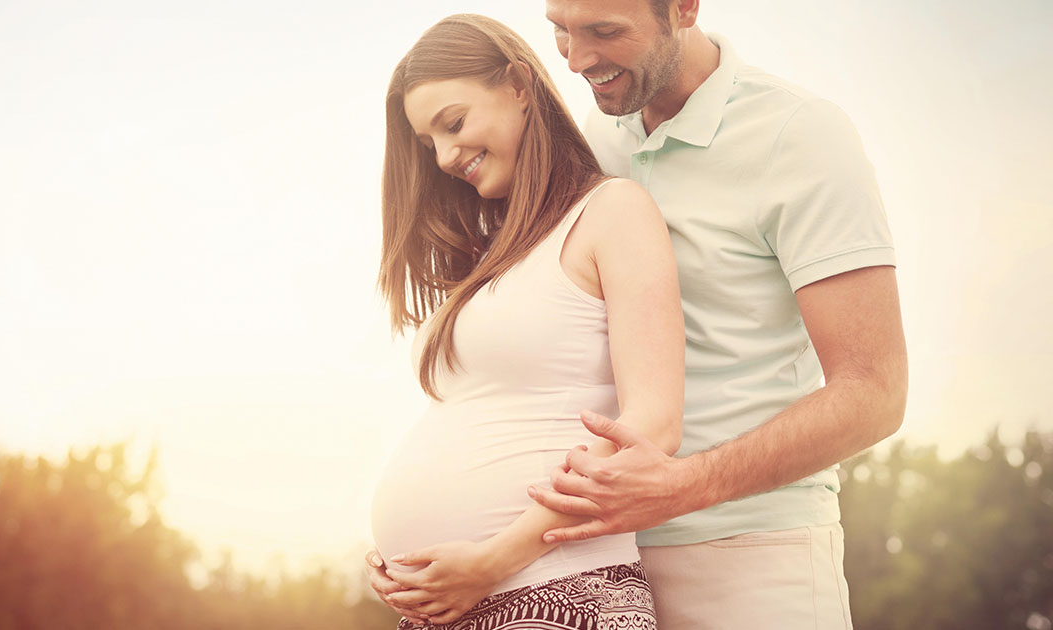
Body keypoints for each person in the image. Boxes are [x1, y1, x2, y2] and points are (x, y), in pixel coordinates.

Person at [369, 1, 908, 628]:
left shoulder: (796, 134)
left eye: (604, 31)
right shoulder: (594, 144)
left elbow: (875, 392)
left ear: (683, 7)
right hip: (594, 558)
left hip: (749, 550)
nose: (576, 60)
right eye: (561, 32)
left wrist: (685, 486)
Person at [368, 13, 684, 629]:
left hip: (558, 589)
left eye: (453, 124)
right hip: (459, 604)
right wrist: (398, 561)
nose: (444, 156)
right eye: (428, 144)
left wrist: (493, 560)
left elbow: (652, 425)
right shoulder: (493, 255)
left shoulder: (611, 211)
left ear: (517, 85)